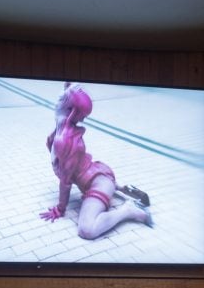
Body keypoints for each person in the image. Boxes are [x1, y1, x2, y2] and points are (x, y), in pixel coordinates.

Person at [40, 82, 151, 239]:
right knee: (105, 187)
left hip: (97, 183)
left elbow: (66, 181)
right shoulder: (60, 127)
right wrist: (70, 89)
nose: (82, 121)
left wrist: (60, 208)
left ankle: (128, 210)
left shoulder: (64, 139)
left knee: (87, 230)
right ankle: (121, 188)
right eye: (82, 116)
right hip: (98, 173)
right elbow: (66, 95)